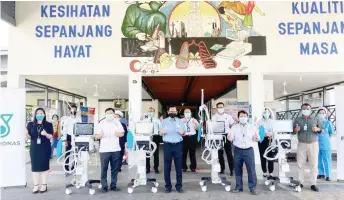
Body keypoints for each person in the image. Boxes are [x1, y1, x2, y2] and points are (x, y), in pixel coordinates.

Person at [228, 110, 259, 195]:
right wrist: (229, 137)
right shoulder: (234, 127)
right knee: (237, 169)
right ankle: (238, 187)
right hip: (237, 150)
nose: (243, 118)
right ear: (238, 118)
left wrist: (256, 138)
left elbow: (256, 137)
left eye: (244, 116)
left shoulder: (252, 127)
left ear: (247, 117)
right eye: (241, 116)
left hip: (249, 150)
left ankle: (252, 187)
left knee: (251, 169)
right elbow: (230, 136)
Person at [293, 103, 320, 192]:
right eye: (304, 108)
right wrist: (295, 130)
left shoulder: (316, 119)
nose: (306, 110)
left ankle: (313, 183)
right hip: (302, 144)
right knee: (300, 164)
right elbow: (293, 131)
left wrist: (317, 129)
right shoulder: (297, 120)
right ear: (301, 110)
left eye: (307, 108)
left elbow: (322, 129)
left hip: (313, 144)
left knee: (314, 164)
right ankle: (300, 182)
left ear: (310, 110)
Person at [25, 108, 53, 194]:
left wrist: (46, 134)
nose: (40, 114)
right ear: (35, 115)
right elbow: (28, 137)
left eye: (41, 113)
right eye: (38, 113)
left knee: (44, 166)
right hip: (34, 148)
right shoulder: (30, 124)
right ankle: (36, 185)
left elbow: (51, 136)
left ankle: (44, 185)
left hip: (45, 148)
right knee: (35, 167)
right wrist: (26, 133)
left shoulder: (48, 124)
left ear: (44, 114)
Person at [96, 108, 125, 193]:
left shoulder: (117, 122)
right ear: (105, 114)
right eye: (107, 113)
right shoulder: (101, 123)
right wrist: (100, 136)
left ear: (113, 114)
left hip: (116, 149)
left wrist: (118, 134)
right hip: (104, 150)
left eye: (111, 113)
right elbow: (97, 136)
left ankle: (113, 185)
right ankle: (104, 186)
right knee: (104, 169)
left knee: (115, 169)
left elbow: (122, 133)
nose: (109, 114)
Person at [159, 106, 186, 193]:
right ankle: (168, 186)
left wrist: (182, 132)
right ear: (168, 112)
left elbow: (184, 132)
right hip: (167, 146)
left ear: (176, 112)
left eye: (174, 111)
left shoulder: (180, 121)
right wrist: (161, 132)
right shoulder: (163, 121)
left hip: (178, 145)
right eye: (171, 111)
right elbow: (159, 133)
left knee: (178, 167)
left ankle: (179, 186)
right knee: (167, 167)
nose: (172, 112)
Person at [212, 102, 235, 175]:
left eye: (221, 107)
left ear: (224, 108)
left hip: (226, 136)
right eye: (219, 107)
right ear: (217, 108)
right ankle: (222, 169)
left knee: (229, 153)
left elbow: (232, 125)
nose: (220, 108)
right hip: (218, 137)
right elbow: (212, 127)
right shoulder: (214, 117)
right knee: (220, 154)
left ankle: (232, 170)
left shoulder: (228, 116)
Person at [61, 105, 82, 176]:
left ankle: (74, 169)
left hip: (77, 137)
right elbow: (64, 130)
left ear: (76, 111)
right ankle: (66, 170)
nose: (73, 111)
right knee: (67, 154)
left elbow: (81, 127)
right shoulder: (67, 119)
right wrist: (64, 140)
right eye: (72, 110)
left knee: (76, 154)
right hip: (69, 137)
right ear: (70, 110)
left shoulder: (79, 119)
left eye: (75, 110)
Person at [316, 107, 334, 181]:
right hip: (316, 143)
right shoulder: (315, 123)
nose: (321, 114)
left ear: (326, 114)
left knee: (327, 159)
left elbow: (331, 133)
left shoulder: (328, 123)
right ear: (317, 114)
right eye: (320, 113)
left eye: (323, 113)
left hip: (326, 143)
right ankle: (321, 173)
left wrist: (326, 140)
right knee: (318, 159)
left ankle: (328, 175)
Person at [142, 107, 162, 174]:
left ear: (154, 113)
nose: (150, 112)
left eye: (152, 111)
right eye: (149, 111)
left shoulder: (157, 121)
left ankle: (156, 168)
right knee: (147, 154)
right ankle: (147, 168)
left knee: (156, 154)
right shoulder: (144, 120)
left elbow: (160, 129)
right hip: (147, 137)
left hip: (155, 137)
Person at [257, 108, 275, 177]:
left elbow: (274, 131)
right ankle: (264, 171)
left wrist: (271, 134)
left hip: (270, 140)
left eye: (267, 112)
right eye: (264, 112)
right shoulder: (259, 121)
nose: (266, 114)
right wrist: (264, 134)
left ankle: (271, 171)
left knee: (270, 156)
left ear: (270, 113)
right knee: (262, 156)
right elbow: (257, 131)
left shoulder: (272, 121)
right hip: (261, 139)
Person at [182, 108, 199, 173]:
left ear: (190, 113)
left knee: (192, 153)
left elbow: (197, 129)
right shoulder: (181, 120)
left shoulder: (194, 120)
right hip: (184, 137)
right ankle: (183, 167)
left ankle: (193, 167)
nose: (187, 113)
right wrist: (182, 123)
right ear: (184, 113)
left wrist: (196, 123)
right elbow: (178, 129)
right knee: (184, 153)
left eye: (188, 112)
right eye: (186, 112)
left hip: (192, 137)